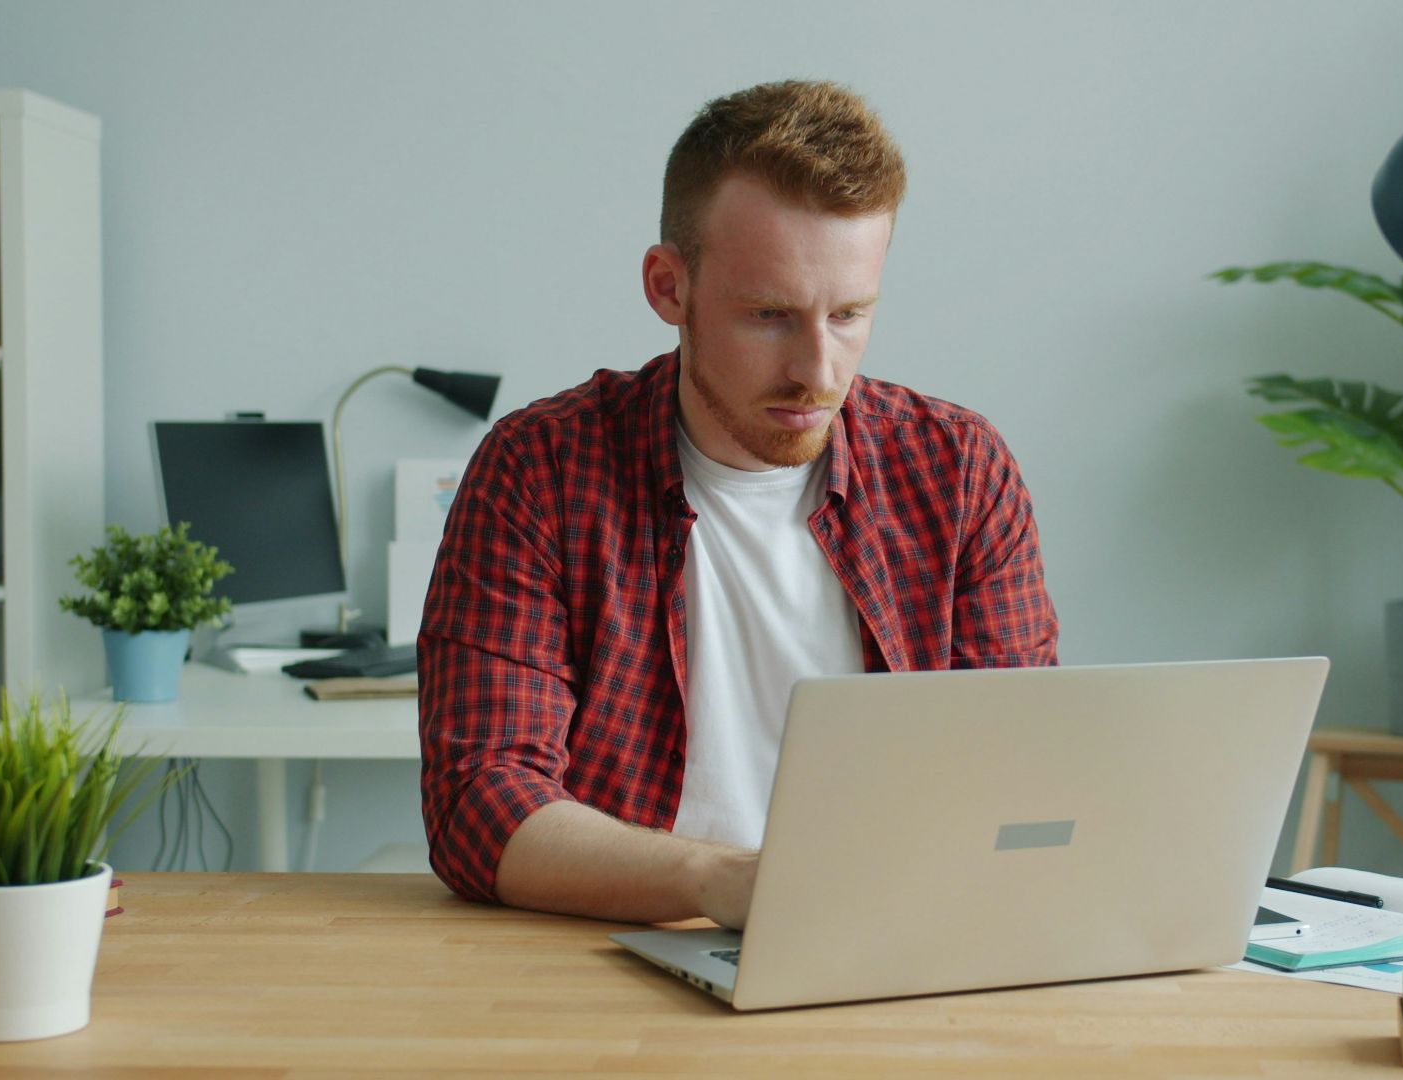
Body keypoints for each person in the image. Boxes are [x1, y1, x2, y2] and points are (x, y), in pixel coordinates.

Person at [419, 79, 1057, 928]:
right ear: (667, 287)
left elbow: (1016, 767)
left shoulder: (960, 472)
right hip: (611, 960)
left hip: (894, 944)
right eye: (770, 316)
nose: (819, 371)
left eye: (851, 314)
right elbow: (480, 804)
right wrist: (721, 883)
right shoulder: (539, 473)